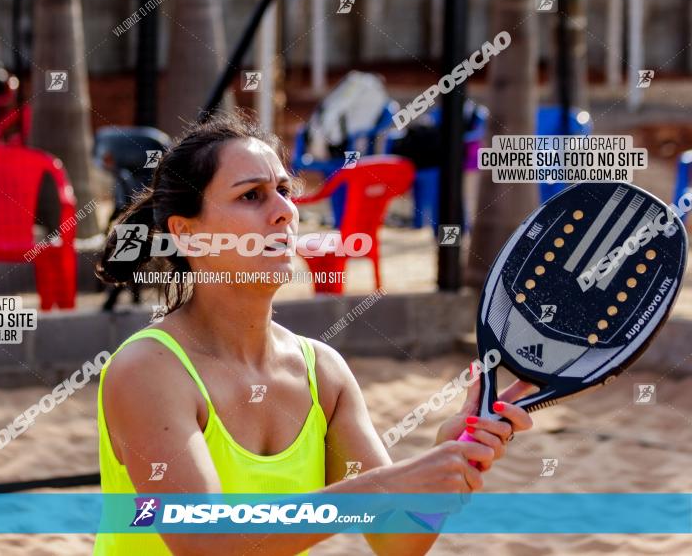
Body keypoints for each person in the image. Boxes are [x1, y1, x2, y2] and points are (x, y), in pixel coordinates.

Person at [93, 112, 535, 555]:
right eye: (251, 195)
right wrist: (375, 488)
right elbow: (212, 543)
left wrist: (453, 452)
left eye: (284, 191)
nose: (285, 211)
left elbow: (397, 539)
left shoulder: (323, 372)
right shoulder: (147, 370)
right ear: (186, 234)